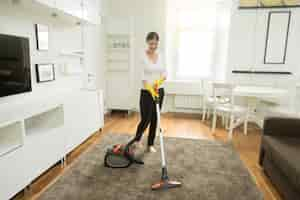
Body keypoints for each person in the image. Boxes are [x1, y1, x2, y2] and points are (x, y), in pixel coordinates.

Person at [133, 32, 167, 153]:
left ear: (158, 42)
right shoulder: (142, 56)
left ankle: (150, 144)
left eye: (155, 43)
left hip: (159, 90)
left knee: (155, 118)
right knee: (145, 118)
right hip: (146, 91)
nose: (153, 46)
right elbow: (143, 77)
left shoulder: (161, 55)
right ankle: (137, 141)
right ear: (147, 42)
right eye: (151, 43)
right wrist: (151, 89)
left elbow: (164, 73)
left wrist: (158, 82)